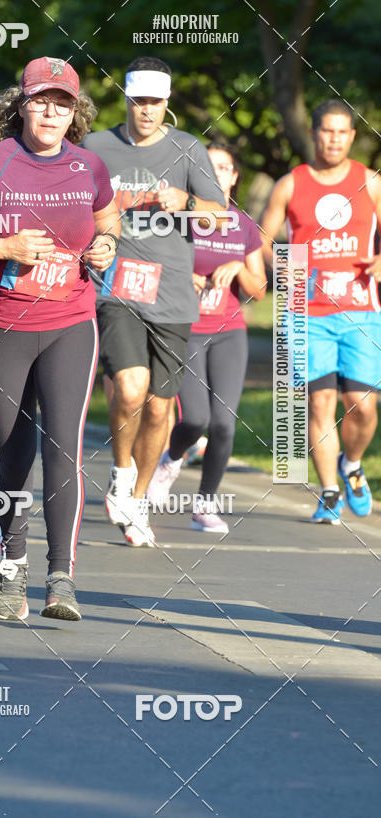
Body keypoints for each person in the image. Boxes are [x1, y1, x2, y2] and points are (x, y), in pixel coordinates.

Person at [0, 56, 120, 621]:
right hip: (1, 325)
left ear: (75, 112)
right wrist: (5, 248)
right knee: (15, 453)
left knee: (64, 449)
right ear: (23, 105)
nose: (51, 113)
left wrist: (106, 247)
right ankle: (12, 566)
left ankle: (62, 577)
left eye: (62, 104)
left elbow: (109, 220)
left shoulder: (89, 165)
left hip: (71, 322)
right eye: (41, 101)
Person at [81, 56, 227, 547]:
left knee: (161, 410)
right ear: (126, 99)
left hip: (172, 296)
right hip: (117, 287)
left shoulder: (187, 149)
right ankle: (121, 472)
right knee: (129, 389)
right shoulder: (96, 147)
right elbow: (71, 203)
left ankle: (139, 501)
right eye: (138, 101)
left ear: (167, 103)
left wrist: (187, 203)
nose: (146, 110)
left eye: (155, 102)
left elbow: (220, 215)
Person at [260, 99, 381, 524]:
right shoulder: (290, 184)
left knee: (362, 406)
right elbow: (262, 237)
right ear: (314, 134)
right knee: (321, 401)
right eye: (327, 131)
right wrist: (280, 265)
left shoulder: (370, 182)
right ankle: (329, 491)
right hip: (306, 312)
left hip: (362, 310)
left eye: (342, 132)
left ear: (352, 136)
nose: (334, 139)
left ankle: (352, 463)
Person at [147, 143, 266, 531]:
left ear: (234, 177)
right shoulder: (179, 219)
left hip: (229, 332)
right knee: (196, 419)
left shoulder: (244, 225)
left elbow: (259, 290)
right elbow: (151, 266)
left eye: (224, 168)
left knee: (224, 424)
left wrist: (238, 267)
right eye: (207, 168)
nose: (216, 174)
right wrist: (183, 276)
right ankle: (171, 460)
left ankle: (204, 506)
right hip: (185, 330)